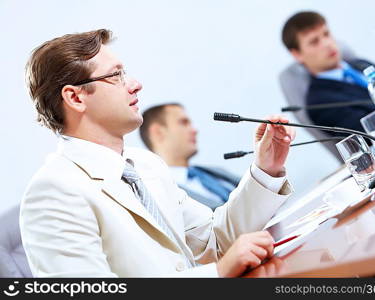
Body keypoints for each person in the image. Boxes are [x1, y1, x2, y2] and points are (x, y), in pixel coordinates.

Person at [20, 29, 296, 277]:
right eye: (116, 75)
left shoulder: (145, 165)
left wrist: (265, 169)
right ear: (76, 98)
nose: (135, 84)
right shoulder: (53, 191)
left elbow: (215, 241)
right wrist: (216, 274)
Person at [281, 11, 375, 134]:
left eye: (326, 34)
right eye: (314, 42)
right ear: (297, 54)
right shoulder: (320, 103)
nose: (327, 43)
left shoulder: (361, 64)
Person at [139, 103, 239, 210]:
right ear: (158, 132)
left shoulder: (217, 173)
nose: (195, 130)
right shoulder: (152, 192)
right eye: (184, 123)